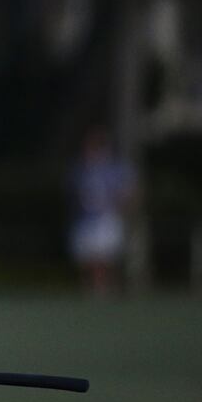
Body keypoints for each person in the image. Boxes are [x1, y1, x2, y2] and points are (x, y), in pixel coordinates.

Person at [67, 125, 137, 297]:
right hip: (86, 219)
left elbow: (128, 192)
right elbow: (73, 195)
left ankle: (107, 288)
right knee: (87, 258)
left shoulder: (114, 168)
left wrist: (121, 208)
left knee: (106, 257)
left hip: (106, 218)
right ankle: (91, 289)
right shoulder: (80, 169)